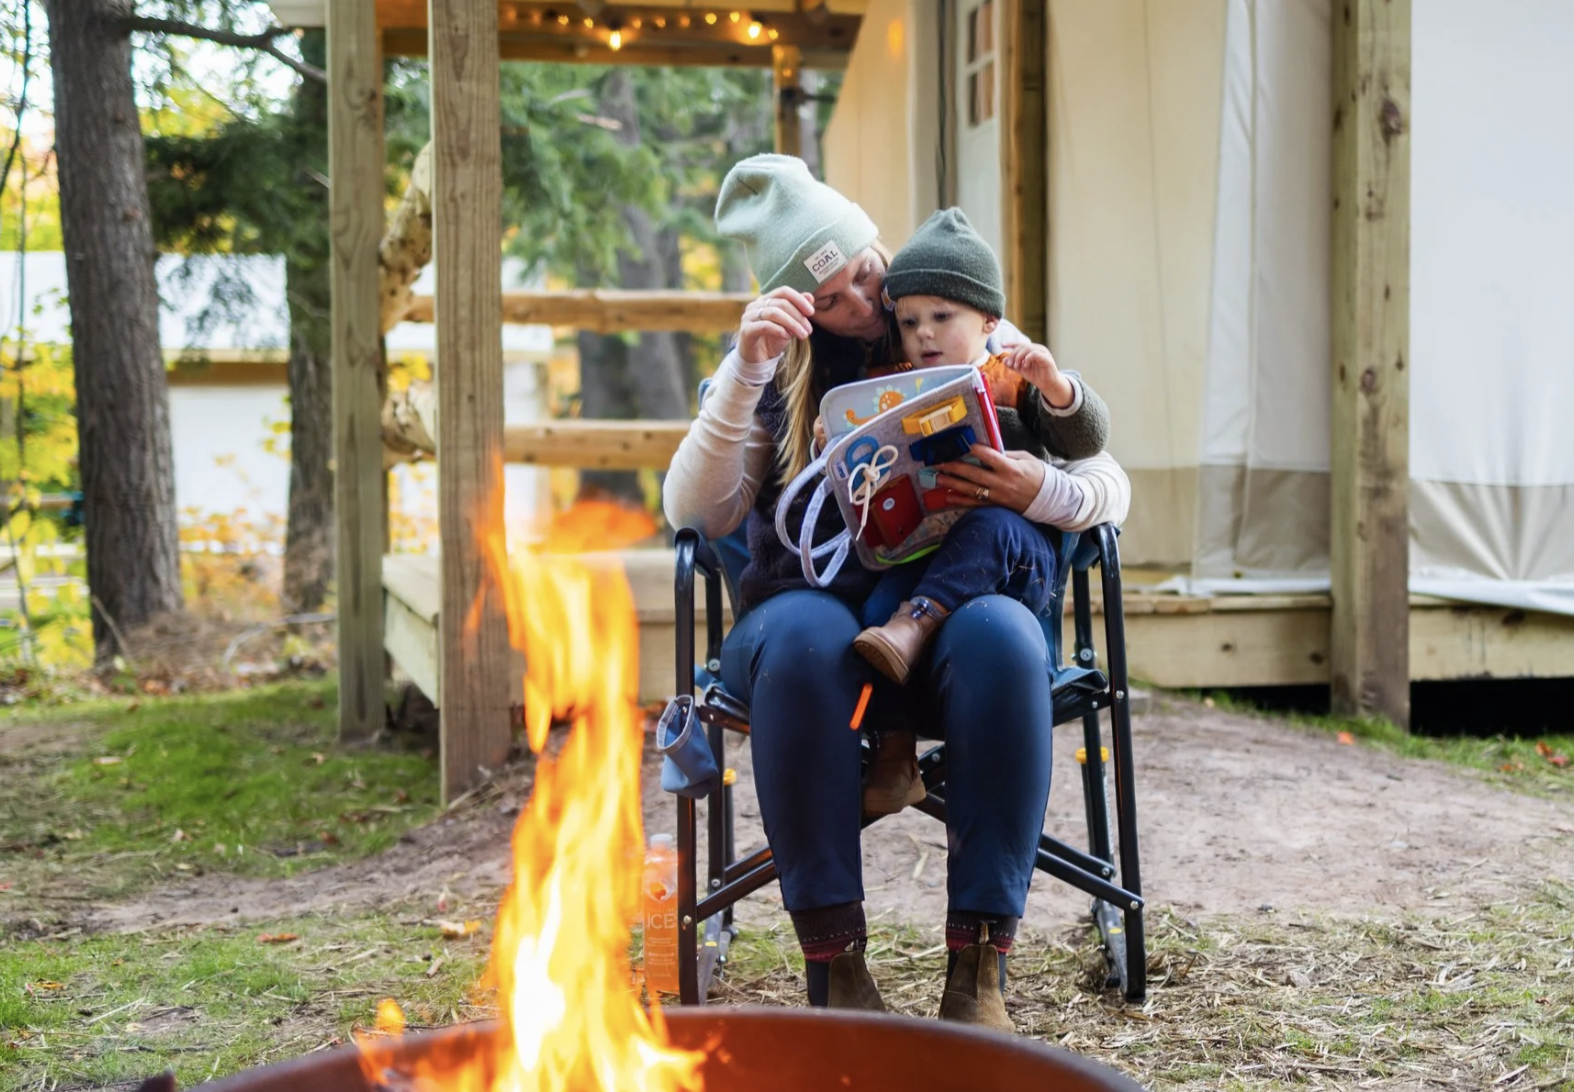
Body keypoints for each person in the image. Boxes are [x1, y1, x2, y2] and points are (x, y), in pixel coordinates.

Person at [663, 154, 1131, 1032]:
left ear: (878, 242)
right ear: (798, 306)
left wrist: (1038, 489)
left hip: (951, 622)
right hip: (818, 625)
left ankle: (979, 973)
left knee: (1000, 636)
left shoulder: (949, 312)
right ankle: (835, 968)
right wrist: (747, 369)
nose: (865, 308)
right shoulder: (774, 371)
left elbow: (1108, 479)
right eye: (831, 298)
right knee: (803, 641)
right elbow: (692, 513)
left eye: (864, 274)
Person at [832, 206, 1111, 814]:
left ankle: (917, 623)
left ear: (989, 320)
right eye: (908, 322)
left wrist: (1057, 387)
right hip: (927, 553)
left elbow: (1087, 440)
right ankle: (896, 752)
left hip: (1015, 563)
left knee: (988, 528)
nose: (923, 334)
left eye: (941, 317)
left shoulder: (1014, 377)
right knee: (881, 606)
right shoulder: (893, 387)